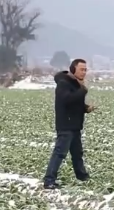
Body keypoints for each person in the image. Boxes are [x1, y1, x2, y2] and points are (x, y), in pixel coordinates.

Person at [43, 58, 96, 190]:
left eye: (85, 70)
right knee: (60, 153)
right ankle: (49, 180)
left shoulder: (76, 84)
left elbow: (75, 103)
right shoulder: (63, 83)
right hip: (65, 125)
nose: (84, 72)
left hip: (75, 125)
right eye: (81, 69)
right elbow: (66, 100)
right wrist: (83, 90)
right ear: (73, 69)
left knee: (77, 154)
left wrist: (85, 108)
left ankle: (82, 176)